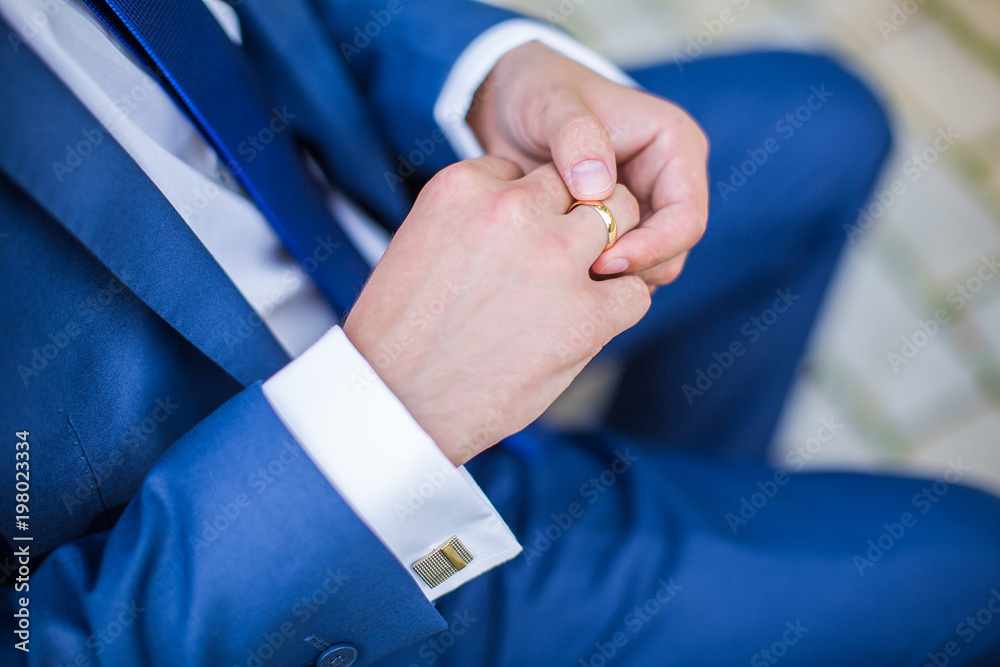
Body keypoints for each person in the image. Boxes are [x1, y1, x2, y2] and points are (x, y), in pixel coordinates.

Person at [1, 0, 998, 665]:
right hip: (275, 547)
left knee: (826, 123)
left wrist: (491, 72)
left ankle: (685, 500)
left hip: (391, 210)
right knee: (972, 568)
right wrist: (385, 422)